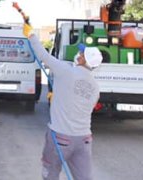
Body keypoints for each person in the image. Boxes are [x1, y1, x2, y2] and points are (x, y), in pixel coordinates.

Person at [23, 22, 103, 180]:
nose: (79, 54)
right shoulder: (95, 87)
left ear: (82, 59)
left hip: (61, 138)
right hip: (84, 140)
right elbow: (84, 104)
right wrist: (59, 95)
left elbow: (43, 56)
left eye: (81, 54)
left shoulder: (66, 71)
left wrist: (31, 35)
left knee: (50, 174)